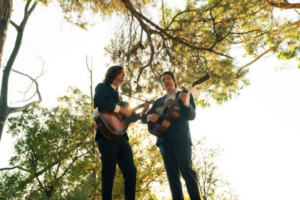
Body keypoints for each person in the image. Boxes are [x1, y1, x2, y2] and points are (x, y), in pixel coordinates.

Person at [141, 71, 201, 200]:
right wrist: (149, 116)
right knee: (172, 177)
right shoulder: (159, 102)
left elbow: (191, 116)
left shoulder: (185, 94)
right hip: (164, 141)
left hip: (181, 139)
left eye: (168, 78)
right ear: (162, 85)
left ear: (174, 81)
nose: (166, 81)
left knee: (187, 172)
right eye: (163, 80)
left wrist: (185, 102)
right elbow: (143, 119)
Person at [94, 65, 149, 200]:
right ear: (113, 73)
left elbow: (130, 117)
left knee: (131, 170)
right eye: (122, 72)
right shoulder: (102, 87)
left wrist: (143, 111)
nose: (124, 74)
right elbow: (98, 102)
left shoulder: (119, 95)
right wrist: (120, 109)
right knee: (108, 173)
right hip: (106, 136)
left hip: (122, 138)